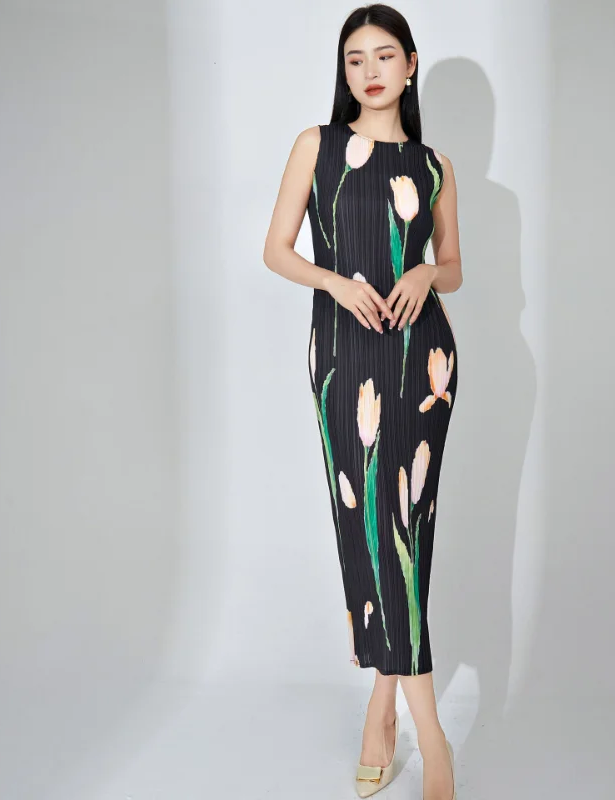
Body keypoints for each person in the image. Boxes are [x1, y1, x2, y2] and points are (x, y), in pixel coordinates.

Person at [263, 5, 461, 798]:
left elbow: (454, 267)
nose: (370, 71)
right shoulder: (315, 147)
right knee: (368, 529)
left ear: (410, 66)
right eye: (355, 58)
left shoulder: (434, 164)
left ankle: (403, 721)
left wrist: (426, 272)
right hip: (344, 358)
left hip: (424, 358)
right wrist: (335, 283)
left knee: (406, 529)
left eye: (384, 56)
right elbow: (276, 250)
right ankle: (412, 722)